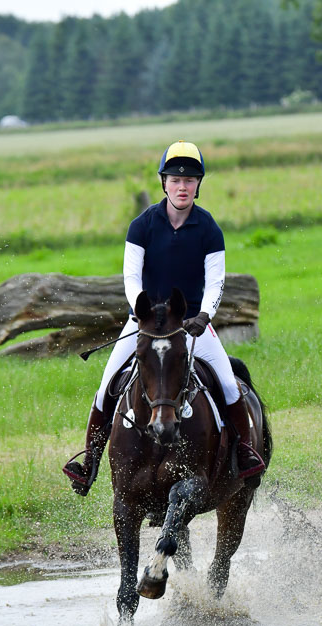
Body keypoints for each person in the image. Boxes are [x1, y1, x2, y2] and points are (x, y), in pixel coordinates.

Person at [63, 140, 265, 495]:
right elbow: (131, 276)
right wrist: (141, 310)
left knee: (230, 385)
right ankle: (89, 462)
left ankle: (245, 455)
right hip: (143, 324)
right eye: (175, 179)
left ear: (198, 185)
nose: (182, 186)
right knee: (104, 389)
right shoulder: (142, 225)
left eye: (190, 180)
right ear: (164, 183)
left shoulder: (208, 229)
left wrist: (204, 315)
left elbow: (216, 280)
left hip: (191, 324)